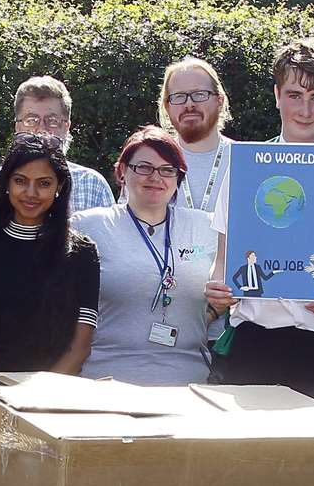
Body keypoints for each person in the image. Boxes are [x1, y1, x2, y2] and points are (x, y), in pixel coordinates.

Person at [204, 38, 314, 402]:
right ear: (276, 95)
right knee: (244, 459)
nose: (305, 109)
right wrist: (218, 292)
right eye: (294, 95)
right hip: (250, 344)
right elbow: (223, 263)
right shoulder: (244, 166)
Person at [73, 126, 218, 385]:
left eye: (167, 170)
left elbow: (240, 289)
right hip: (106, 381)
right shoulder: (88, 227)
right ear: (122, 172)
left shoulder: (207, 228)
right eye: (144, 167)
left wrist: (211, 313)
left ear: (178, 178)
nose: (156, 177)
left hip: (189, 383)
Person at [0, 133, 101, 373]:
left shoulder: (83, 252)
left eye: (44, 183)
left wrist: (38, 396)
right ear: (6, 184)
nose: (30, 193)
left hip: (53, 396)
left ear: (59, 187)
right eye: (20, 181)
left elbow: (80, 347)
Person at [0, 76, 115, 212]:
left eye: (52, 121)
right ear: (17, 127)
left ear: (66, 127)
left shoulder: (92, 185)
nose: (41, 130)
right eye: (31, 120)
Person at [159, 56, 234, 217]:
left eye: (199, 94)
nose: (189, 104)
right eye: (179, 96)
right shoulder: (149, 164)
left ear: (219, 101)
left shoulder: (245, 161)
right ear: (167, 106)